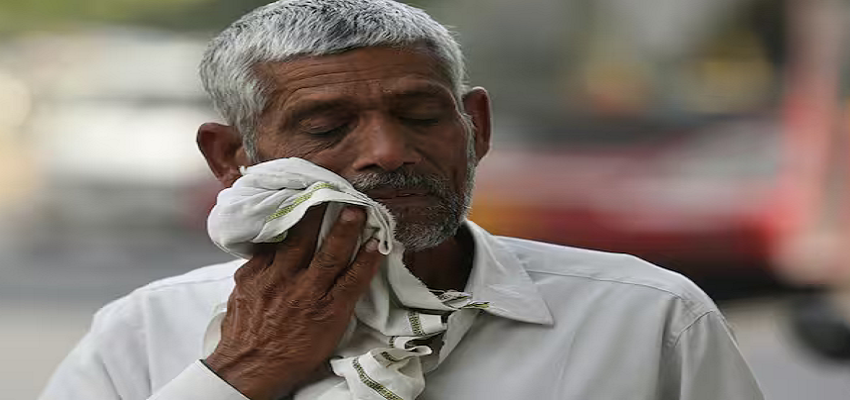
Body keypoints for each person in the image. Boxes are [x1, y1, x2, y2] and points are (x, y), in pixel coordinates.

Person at [40, 1, 764, 399]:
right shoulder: (144, 332)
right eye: (327, 127)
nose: (388, 152)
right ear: (232, 158)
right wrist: (240, 375)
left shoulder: (647, 318)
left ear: (475, 127)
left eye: (420, 116)